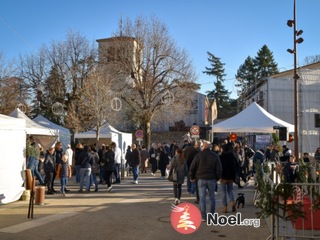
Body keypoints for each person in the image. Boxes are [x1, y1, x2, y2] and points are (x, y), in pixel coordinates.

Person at [189, 140, 222, 222]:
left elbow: (192, 167)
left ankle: (203, 216)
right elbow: (219, 168)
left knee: (202, 198)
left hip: (201, 178)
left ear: (203, 147)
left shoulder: (198, 155)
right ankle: (212, 215)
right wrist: (217, 178)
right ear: (210, 147)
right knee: (212, 198)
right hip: (211, 178)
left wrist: (191, 177)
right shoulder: (215, 156)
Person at [220, 143, 238, 213]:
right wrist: (234, 176)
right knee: (230, 190)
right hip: (230, 177)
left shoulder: (221, 157)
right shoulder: (232, 156)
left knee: (223, 192)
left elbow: (219, 167)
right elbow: (235, 166)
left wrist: (219, 176)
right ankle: (232, 203)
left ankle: (225, 208)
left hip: (223, 177)